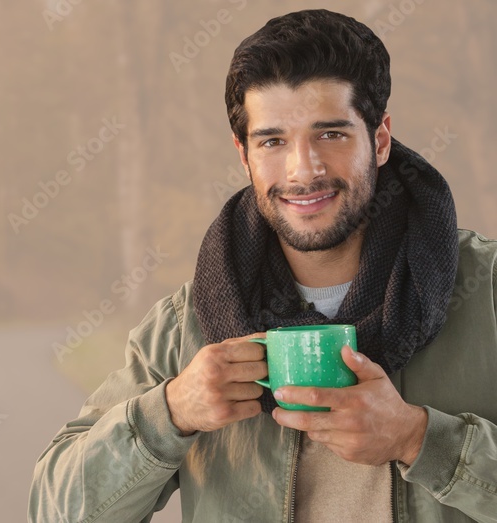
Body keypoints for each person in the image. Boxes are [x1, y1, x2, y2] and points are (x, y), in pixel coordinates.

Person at [29, 9, 497, 523]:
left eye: (332, 134)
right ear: (243, 154)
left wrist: (419, 439)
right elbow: (56, 511)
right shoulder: (184, 327)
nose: (304, 170)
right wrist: (172, 412)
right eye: (273, 141)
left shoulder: (487, 290)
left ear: (380, 139)